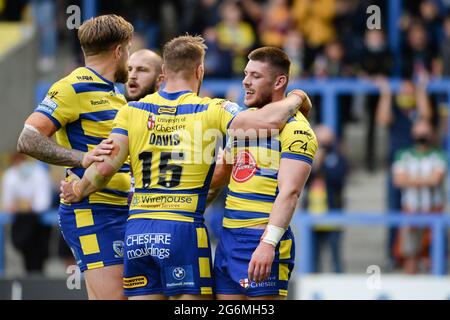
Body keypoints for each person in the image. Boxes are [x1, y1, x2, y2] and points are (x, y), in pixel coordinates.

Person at [60, 35, 311, 300]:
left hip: (138, 230)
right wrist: (297, 97)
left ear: (164, 72)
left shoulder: (131, 110)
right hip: (182, 229)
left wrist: (78, 189)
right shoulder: (211, 109)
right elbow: (264, 122)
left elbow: (105, 167)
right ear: (200, 70)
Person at [16, 14, 134, 300]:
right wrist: (81, 158)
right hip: (92, 211)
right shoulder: (71, 87)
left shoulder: (115, 93)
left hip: (119, 210)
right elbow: (27, 138)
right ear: (119, 51)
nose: (129, 59)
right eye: (128, 50)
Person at [209, 47, 317, 300]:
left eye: (255, 76)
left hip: (259, 240)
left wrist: (268, 244)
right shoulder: (246, 123)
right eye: (246, 74)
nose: (245, 81)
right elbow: (222, 175)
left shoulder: (297, 129)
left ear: (279, 82)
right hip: (228, 238)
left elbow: (290, 192)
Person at [392, 119, 446, 274]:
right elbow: (398, 180)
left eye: (425, 131)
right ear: (412, 133)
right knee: (410, 254)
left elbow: (435, 180)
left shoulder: (439, 155)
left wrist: (411, 180)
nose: (422, 134)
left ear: (431, 133)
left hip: (433, 210)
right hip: (411, 211)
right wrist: (425, 179)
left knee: (434, 254)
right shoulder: (404, 154)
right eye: (419, 131)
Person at [305, 125, 347, 273]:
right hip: (313, 214)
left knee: (336, 257)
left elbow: (339, 179)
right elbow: (303, 182)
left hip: (332, 213)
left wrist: (322, 164)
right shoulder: (309, 158)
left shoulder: (337, 157)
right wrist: (315, 165)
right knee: (313, 258)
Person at [1, 153, 53, 274]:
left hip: (38, 223)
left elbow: (43, 203)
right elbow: (7, 203)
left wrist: (27, 206)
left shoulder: (39, 173)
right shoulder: (10, 176)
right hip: (22, 222)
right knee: (28, 253)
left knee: (39, 256)